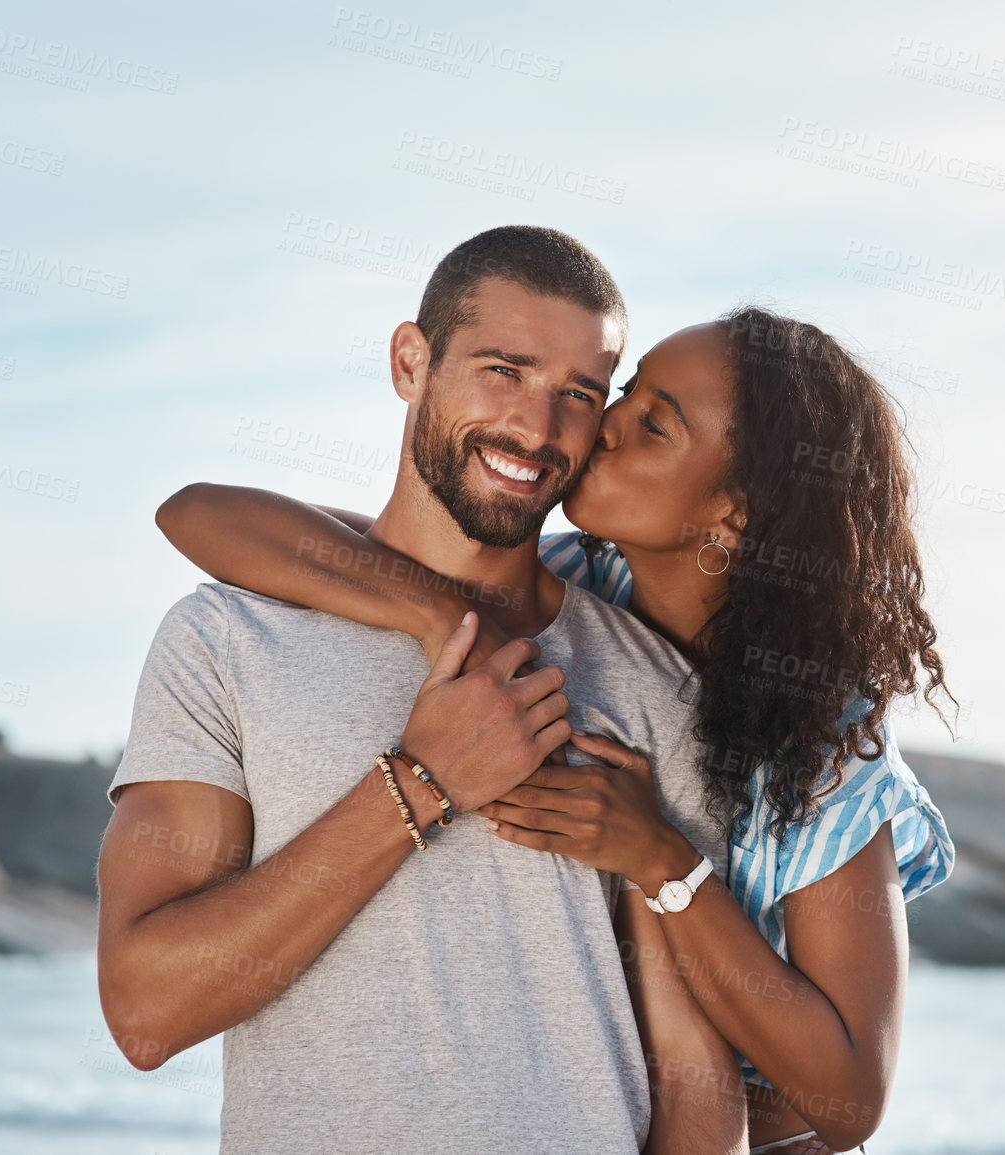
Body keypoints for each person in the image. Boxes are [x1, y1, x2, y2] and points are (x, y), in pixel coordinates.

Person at [156, 303, 957, 1153]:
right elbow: (203, 515)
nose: (603, 425)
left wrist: (661, 859)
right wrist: (443, 614)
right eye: (627, 390)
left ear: (733, 513)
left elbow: (849, 1099)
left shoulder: (816, 740)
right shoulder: (572, 585)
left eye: (654, 424)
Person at [97, 226, 750, 1155]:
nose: (535, 427)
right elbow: (144, 1010)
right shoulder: (227, 637)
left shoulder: (654, 688)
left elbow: (692, 1075)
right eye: (502, 370)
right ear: (412, 361)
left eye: (577, 393)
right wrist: (417, 784)